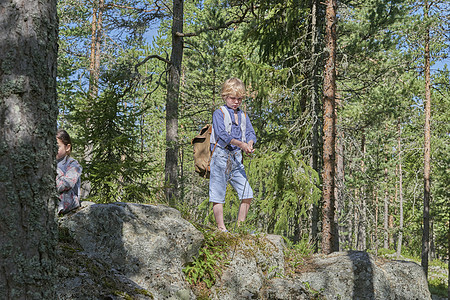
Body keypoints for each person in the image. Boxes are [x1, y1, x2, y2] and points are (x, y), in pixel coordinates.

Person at [209, 78, 257, 232]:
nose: (236, 102)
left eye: (239, 99)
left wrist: (249, 143)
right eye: (232, 98)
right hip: (220, 156)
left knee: (247, 193)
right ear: (225, 96)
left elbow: (250, 132)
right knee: (218, 193)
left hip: (236, 159)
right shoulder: (219, 113)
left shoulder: (243, 115)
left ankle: (240, 227)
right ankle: (221, 228)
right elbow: (223, 135)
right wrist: (241, 144)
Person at [56, 129, 82, 215]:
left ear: (67, 147)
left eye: (57, 146)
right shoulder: (46, 162)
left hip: (68, 200)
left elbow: (67, 183)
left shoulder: (73, 164)